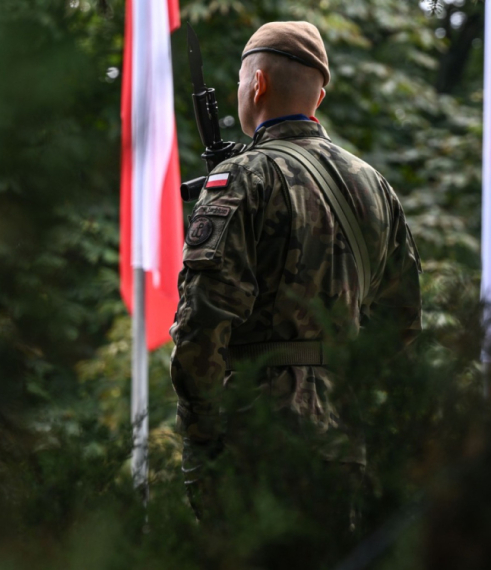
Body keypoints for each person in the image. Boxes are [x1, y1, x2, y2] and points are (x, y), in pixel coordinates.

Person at [169, 21, 422, 521]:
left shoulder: (242, 178)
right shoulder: (375, 186)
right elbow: (402, 328)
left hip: (253, 440)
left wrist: (201, 437)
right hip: (342, 445)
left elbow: (203, 321)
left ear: (257, 85)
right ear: (318, 99)